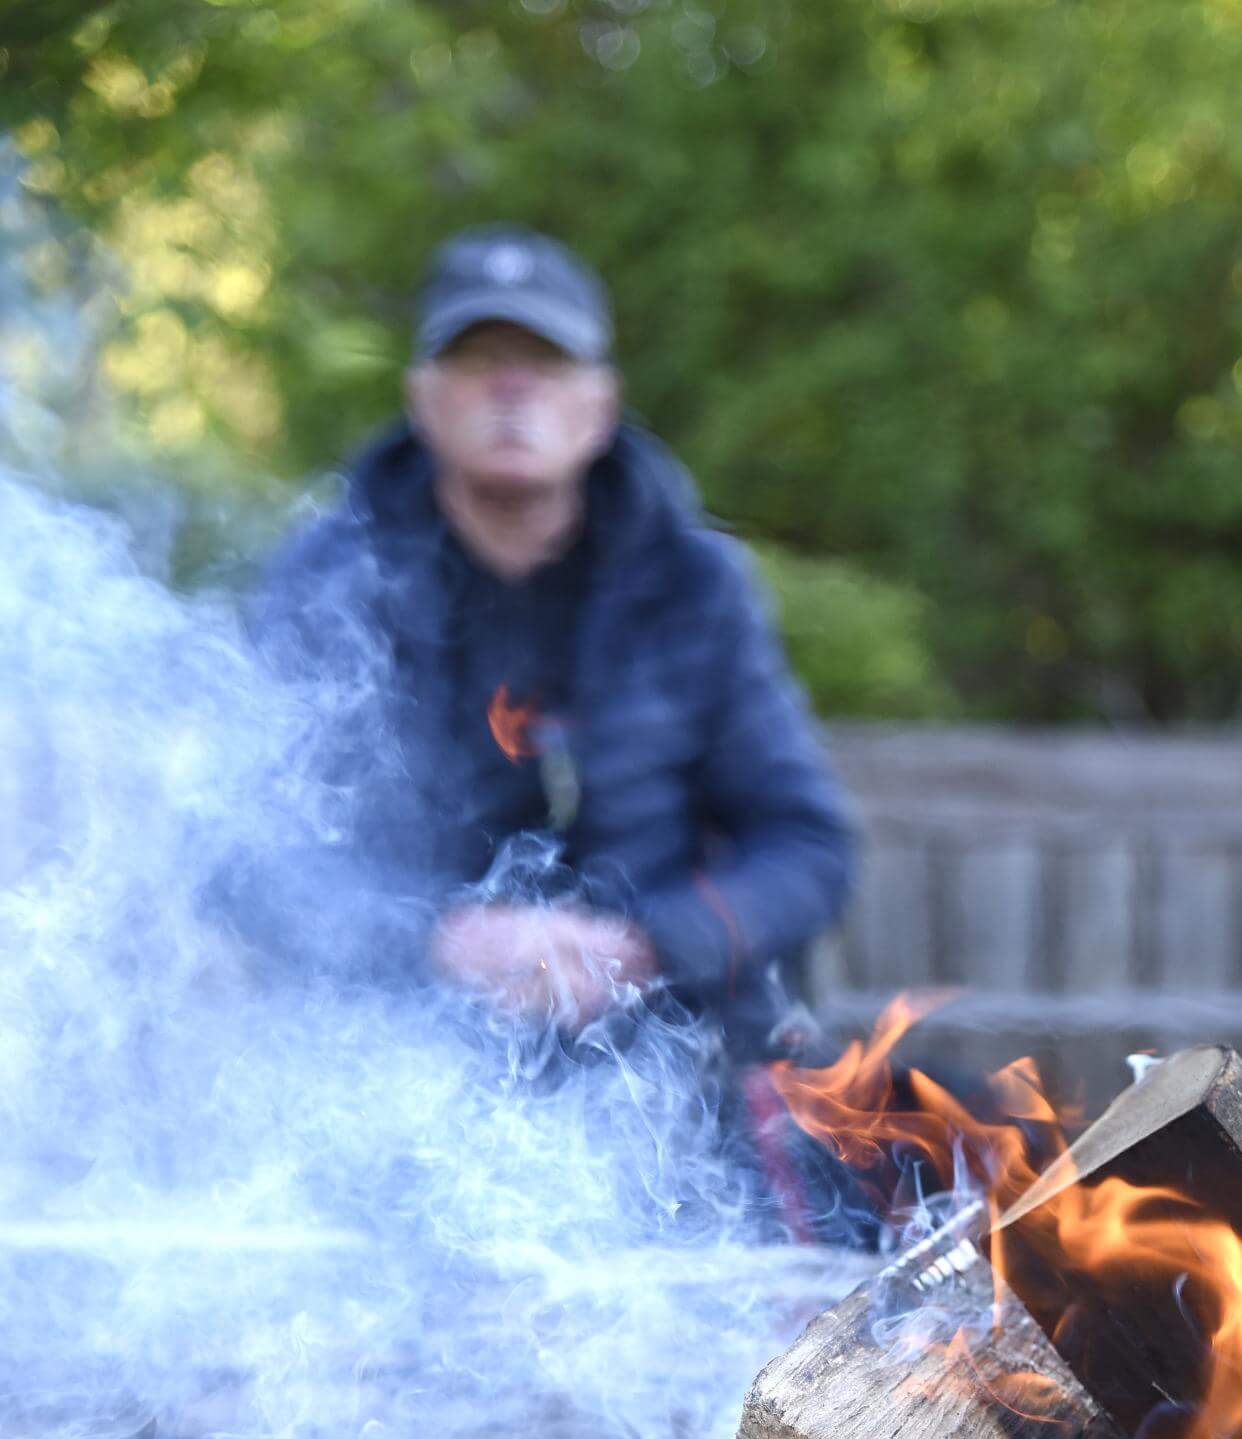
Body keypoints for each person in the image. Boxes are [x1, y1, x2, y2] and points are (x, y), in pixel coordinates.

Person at [251, 226, 856, 1064]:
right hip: (399, 1063)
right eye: (477, 359)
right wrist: (439, 940)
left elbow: (808, 848)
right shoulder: (327, 586)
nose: (511, 387)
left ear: (600, 404)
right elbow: (250, 862)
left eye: (545, 361)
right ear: (423, 398)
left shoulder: (694, 584)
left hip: (668, 1055)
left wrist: (647, 948)